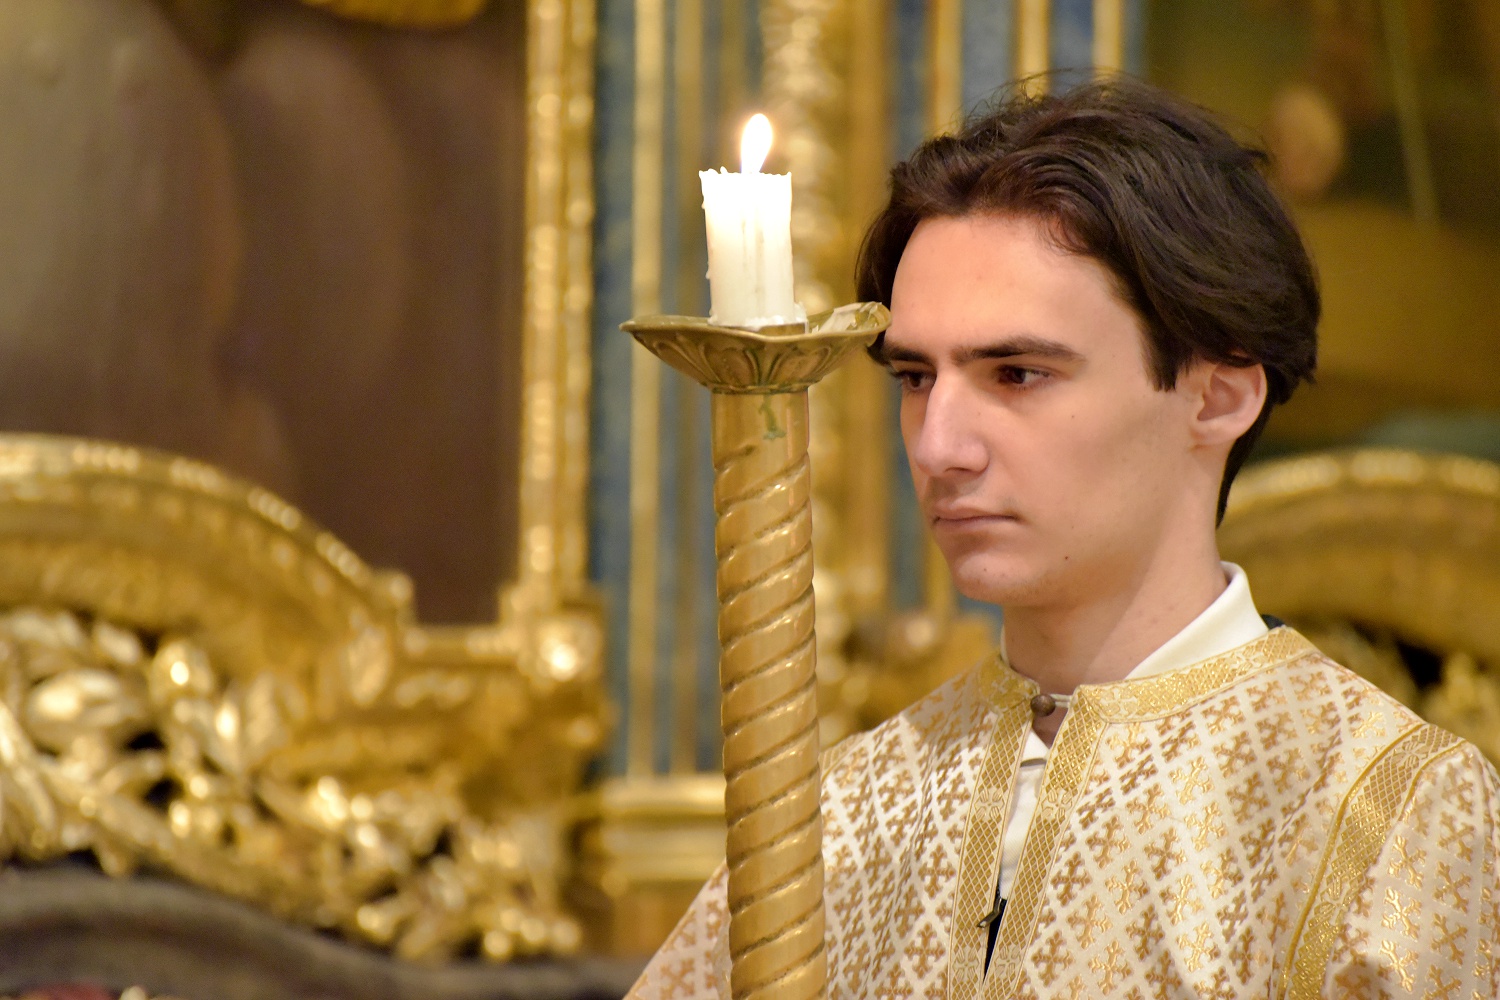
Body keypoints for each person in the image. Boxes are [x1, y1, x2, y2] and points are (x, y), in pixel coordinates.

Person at [626, 79, 1500, 998]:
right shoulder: (843, 812)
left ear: (1217, 396)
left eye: (1017, 373)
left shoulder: (1388, 812)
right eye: (916, 378)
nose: (939, 447)